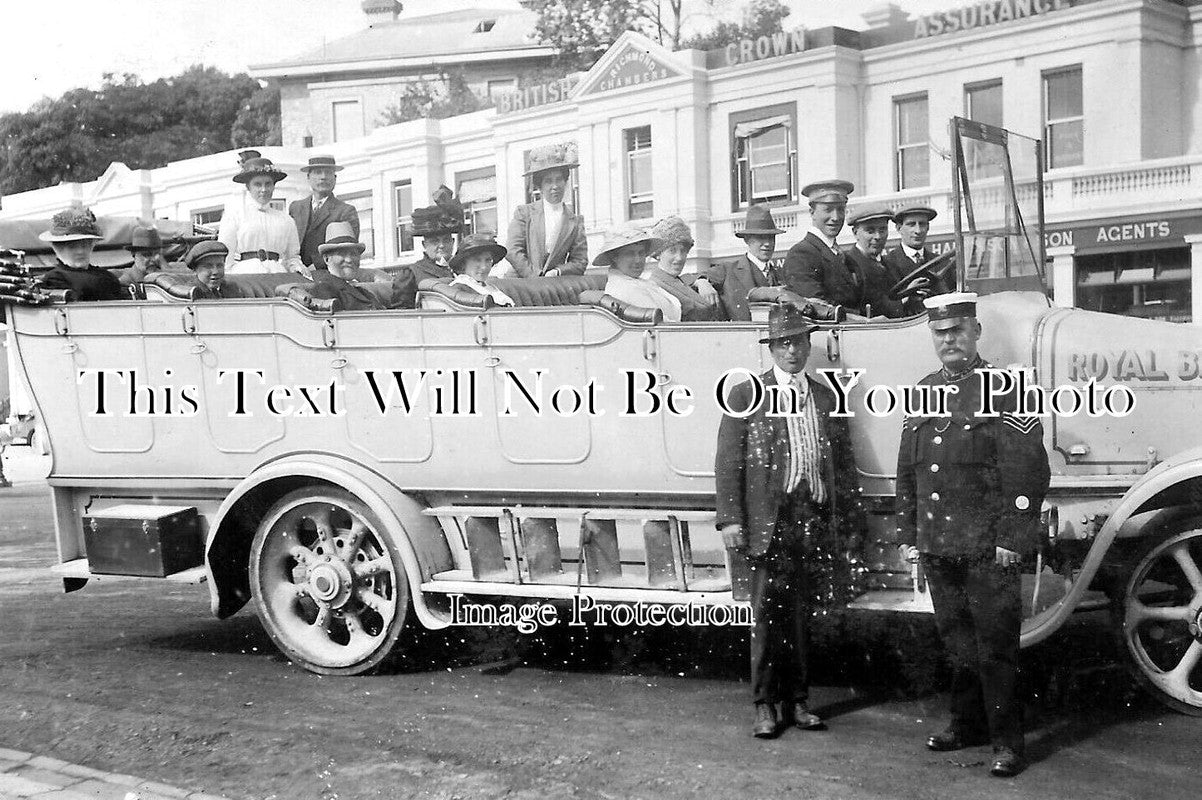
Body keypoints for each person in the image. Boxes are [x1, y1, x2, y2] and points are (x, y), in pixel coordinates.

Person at [895, 292, 1050, 778]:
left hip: (988, 546)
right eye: (940, 333)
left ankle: (1007, 742)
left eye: (958, 330)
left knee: (996, 645)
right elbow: (908, 473)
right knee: (956, 641)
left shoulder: (1007, 389)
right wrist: (909, 534)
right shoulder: (922, 390)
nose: (950, 340)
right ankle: (966, 723)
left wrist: (1012, 536)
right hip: (939, 544)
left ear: (976, 331)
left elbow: (1027, 473)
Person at [715, 302, 862, 739]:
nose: (791, 351)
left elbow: (844, 461)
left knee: (800, 616)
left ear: (808, 344)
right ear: (771, 349)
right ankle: (764, 706)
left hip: (808, 517)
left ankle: (798, 703)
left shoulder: (823, 395)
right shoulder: (746, 394)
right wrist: (730, 519)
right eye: (782, 343)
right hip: (766, 522)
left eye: (797, 341)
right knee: (765, 616)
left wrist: (847, 520)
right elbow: (728, 461)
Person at [506, 143, 588, 277]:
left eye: (559, 180)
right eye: (548, 181)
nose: (555, 186)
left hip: (553, 286)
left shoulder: (575, 221)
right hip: (520, 283)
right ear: (540, 186)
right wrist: (534, 275)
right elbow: (512, 250)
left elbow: (580, 261)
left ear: (566, 181)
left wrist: (558, 272)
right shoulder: (524, 213)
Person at [217, 157, 305, 276]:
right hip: (245, 275)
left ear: (274, 186)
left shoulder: (286, 220)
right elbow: (225, 257)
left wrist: (296, 267)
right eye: (257, 184)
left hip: (278, 276)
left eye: (268, 184)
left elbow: (292, 257)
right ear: (248, 187)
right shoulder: (234, 216)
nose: (263, 190)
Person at [694, 205, 784, 321]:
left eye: (771, 238)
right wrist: (702, 282)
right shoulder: (728, 271)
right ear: (747, 239)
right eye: (761, 238)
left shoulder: (782, 274)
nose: (767, 243)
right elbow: (687, 278)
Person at [782, 180, 861, 307]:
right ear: (812, 213)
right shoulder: (801, 254)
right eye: (828, 210)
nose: (836, 217)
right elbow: (818, 309)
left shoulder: (844, 257)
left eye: (841, 210)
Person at [36, 207, 125, 301]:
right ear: (57, 248)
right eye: (72, 246)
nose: (80, 251)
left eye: (85, 245)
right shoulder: (54, 279)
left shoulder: (107, 276)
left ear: (92, 245)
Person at [289, 156, 360, 271]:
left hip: (328, 272)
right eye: (317, 172)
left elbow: (346, 247)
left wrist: (316, 265)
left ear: (335, 178)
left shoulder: (346, 211)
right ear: (308, 177)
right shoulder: (296, 208)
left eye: (328, 173)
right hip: (295, 270)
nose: (323, 177)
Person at [596, 225, 679, 321]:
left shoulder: (636, 281)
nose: (638, 260)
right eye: (630, 254)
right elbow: (662, 326)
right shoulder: (625, 288)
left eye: (641, 253)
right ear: (615, 257)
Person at [644, 216, 719, 321]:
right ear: (658, 254)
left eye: (683, 251)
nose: (679, 258)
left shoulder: (679, 281)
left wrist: (701, 281)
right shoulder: (655, 287)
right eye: (672, 251)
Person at [841, 205, 910, 318]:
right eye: (870, 231)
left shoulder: (889, 264)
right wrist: (904, 300)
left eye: (882, 230)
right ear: (855, 233)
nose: (878, 237)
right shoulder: (847, 265)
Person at [883, 205, 946, 297]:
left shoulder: (941, 262)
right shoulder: (886, 264)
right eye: (911, 224)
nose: (918, 230)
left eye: (922, 224)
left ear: (928, 227)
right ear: (899, 228)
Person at [409, 187, 464, 285]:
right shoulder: (412, 273)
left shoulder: (463, 269)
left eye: (446, 240)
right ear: (424, 245)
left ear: (453, 242)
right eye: (435, 241)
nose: (442, 245)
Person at [449, 232, 516, 307]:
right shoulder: (459, 289)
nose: (484, 267)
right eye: (477, 260)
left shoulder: (490, 287)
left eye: (488, 260)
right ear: (463, 263)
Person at [319, 222, 389, 284]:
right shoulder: (321, 289)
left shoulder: (366, 288)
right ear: (327, 259)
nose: (349, 260)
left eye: (353, 254)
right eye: (342, 254)